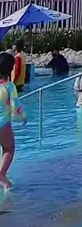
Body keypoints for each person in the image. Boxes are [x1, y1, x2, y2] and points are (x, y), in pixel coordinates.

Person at [0, 52, 26, 191]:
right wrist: (23, 117)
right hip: (3, 124)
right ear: (10, 69)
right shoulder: (9, 86)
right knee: (9, 148)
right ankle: (1, 175)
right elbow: (15, 106)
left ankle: (3, 180)